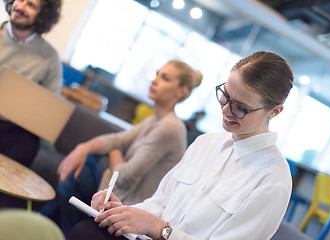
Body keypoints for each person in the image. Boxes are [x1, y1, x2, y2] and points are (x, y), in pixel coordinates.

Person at [67, 51, 295, 240]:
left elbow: (159, 225)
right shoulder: (205, 143)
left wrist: (162, 230)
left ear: (275, 111)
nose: (225, 110)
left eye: (241, 107)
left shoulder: (273, 180)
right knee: (87, 231)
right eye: (225, 96)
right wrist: (125, 211)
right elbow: (161, 202)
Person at [41, 60, 203, 235]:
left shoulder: (170, 128)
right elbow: (116, 139)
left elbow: (124, 176)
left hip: (131, 205)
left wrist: (113, 150)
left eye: (164, 78)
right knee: (81, 170)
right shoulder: (154, 120)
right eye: (156, 74)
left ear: (181, 91)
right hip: (119, 193)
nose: (155, 81)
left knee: (76, 176)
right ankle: (46, 229)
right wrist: (83, 147)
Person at [0, 0, 63, 167]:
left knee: (27, 145)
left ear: (44, 15)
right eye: (19, 0)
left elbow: (51, 107)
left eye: (30, 5)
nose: (20, 7)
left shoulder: (50, 58)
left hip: (14, 127)